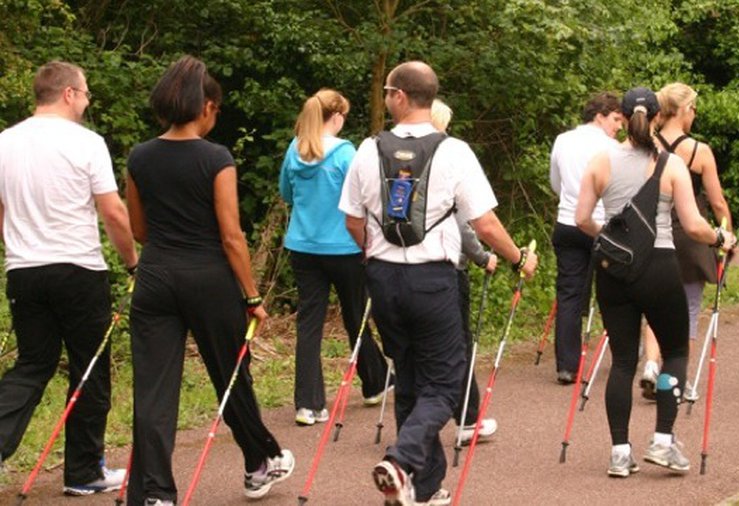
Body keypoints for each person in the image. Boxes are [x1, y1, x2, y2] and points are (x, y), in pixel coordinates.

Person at [340, 61, 537, 506]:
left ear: (400, 96)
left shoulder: (367, 150)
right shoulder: (454, 151)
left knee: (409, 376)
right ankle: (402, 460)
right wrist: (519, 259)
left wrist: (376, 254)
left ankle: (422, 487)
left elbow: (352, 220)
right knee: (447, 384)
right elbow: (484, 224)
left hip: (382, 278)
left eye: (387, 91)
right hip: (432, 281)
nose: (386, 97)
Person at [125, 55, 293, 505]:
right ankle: (259, 463)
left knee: (153, 391)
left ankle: (155, 493)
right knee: (231, 374)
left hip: (155, 276)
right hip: (208, 278)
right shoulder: (216, 157)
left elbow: (138, 230)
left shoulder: (139, 156)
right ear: (206, 107)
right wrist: (252, 296)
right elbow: (231, 236)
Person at [575, 87, 735, 477]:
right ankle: (663, 440)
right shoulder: (670, 165)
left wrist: (610, 237)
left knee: (623, 361)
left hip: (614, 271)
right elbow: (694, 225)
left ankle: (619, 452)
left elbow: (581, 219)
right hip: (660, 267)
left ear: (623, 115)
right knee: (675, 352)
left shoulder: (600, 161)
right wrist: (720, 237)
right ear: (658, 117)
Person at [0, 60, 138, 496]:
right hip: (78, 269)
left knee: (32, 364)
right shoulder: (87, 143)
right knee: (89, 368)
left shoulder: (5, 142)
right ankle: (83, 471)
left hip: (24, 270)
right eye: (86, 93)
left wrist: (16, 250)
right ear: (68, 93)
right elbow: (112, 211)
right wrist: (133, 261)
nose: (87, 101)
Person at [279, 88, 390, 426]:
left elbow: (286, 193)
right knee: (356, 315)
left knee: (309, 323)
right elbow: (364, 199)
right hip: (344, 248)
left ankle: (308, 404)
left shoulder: (295, 149)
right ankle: (374, 383)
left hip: (303, 247)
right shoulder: (346, 153)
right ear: (337, 116)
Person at [639, 83, 734, 400]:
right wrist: (727, 235)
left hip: (652, 232)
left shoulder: (645, 144)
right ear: (683, 110)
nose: (694, 115)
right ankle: (676, 378)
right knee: (688, 310)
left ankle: (651, 365)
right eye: (693, 109)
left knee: (655, 307)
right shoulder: (698, 151)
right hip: (690, 236)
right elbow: (717, 202)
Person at [431, 98, 499, 443]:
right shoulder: (450, 157)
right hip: (446, 268)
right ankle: (468, 419)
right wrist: (484, 257)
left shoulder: (391, 156)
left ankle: (415, 422)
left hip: (402, 267)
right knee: (457, 344)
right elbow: (467, 224)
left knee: (419, 346)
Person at [549, 92, 623, 384]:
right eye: (616, 119)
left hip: (568, 222)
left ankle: (567, 366)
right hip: (601, 225)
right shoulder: (611, 148)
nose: (619, 126)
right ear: (600, 116)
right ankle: (623, 352)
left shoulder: (562, 140)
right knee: (613, 291)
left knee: (569, 292)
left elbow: (555, 182)